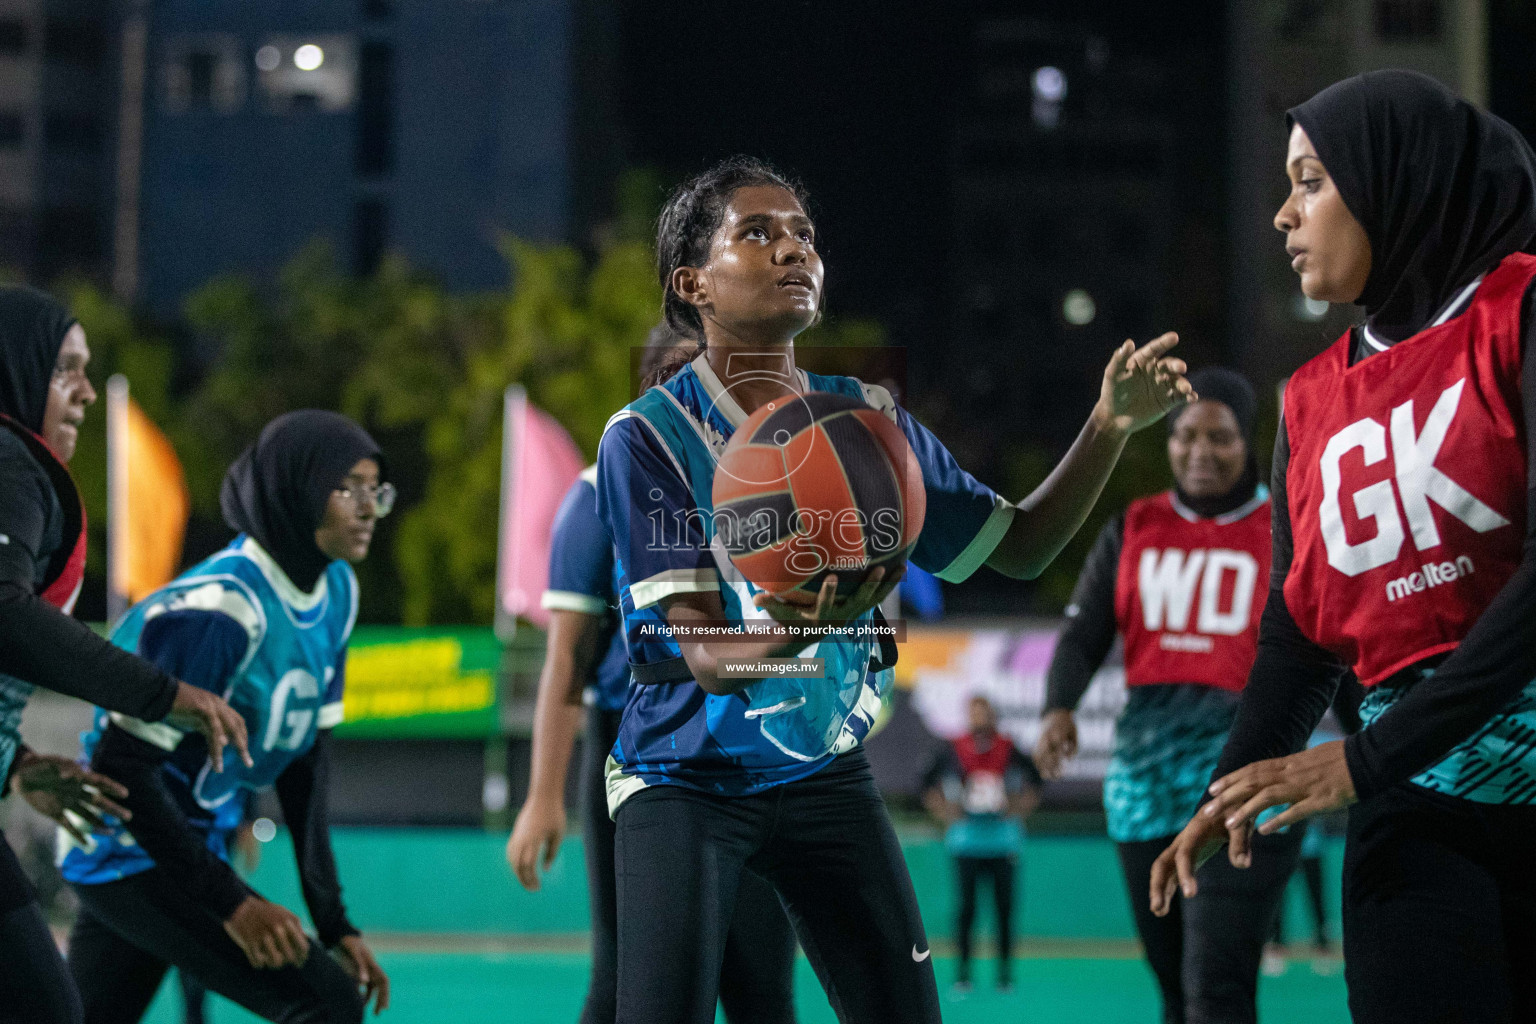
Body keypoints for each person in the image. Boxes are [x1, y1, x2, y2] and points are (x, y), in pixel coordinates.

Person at [596, 155, 1193, 1024]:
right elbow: (707, 655)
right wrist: (824, 617)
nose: (793, 249)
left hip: (822, 770)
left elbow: (1018, 549)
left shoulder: (866, 421)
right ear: (693, 283)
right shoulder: (648, 435)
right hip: (684, 777)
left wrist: (1107, 427)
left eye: (804, 234)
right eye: (757, 233)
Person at [1151, 70, 1536, 1023]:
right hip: (1415, 815)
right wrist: (1229, 785)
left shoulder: (1519, 315)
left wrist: (1362, 761)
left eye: (1313, 180)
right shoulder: (1309, 400)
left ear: (1398, 180)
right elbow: (1299, 628)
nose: (1284, 215)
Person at [59, 410, 393, 1023]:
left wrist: (333, 920)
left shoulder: (337, 591)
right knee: (324, 1001)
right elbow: (122, 764)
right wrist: (232, 902)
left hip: (184, 842)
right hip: (128, 845)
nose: (369, 508)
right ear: (296, 491)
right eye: (347, 488)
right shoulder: (222, 611)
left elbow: (305, 766)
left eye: (376, 488)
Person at [507, 327, 799, 1024]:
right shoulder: (597, 492)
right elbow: (568, 661)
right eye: (687, 377)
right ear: (651, 387)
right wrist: (543, 795)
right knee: (625, 981)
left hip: (758, 745)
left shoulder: (777, 480)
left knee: (762, 987)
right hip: (639, 755)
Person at [0, 286, 251, 1024]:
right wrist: (164, 693)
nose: (81, 392)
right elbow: (5, 611)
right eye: (64, 369)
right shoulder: (10, 464)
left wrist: (13, 764)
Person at [1036, 367, 1302, 1023]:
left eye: (1221, 437)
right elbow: (1082, 636)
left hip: (1245, 777)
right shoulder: (1134, 526)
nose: (1200, 452)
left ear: (1249, 441)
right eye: (1185, 435)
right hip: (1142, 783)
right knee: (1176, 994)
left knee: (1217, 987)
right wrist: (1058, 709)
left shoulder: (1286, 529)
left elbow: (1326, 651)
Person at [921, 695, 1040, 993]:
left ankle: (1004, 976)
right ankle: (963, 976)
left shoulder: (1009, 749)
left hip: (1003, 843)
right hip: (966, 843)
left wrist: (1019, 808)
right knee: (966, 911)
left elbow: (1037, 780)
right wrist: (944, 812)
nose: (979, 719)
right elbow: (925, 784)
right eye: (974, 712)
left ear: (993, 715)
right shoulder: (952, 749)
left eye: (984, 712)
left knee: (1004, 910)